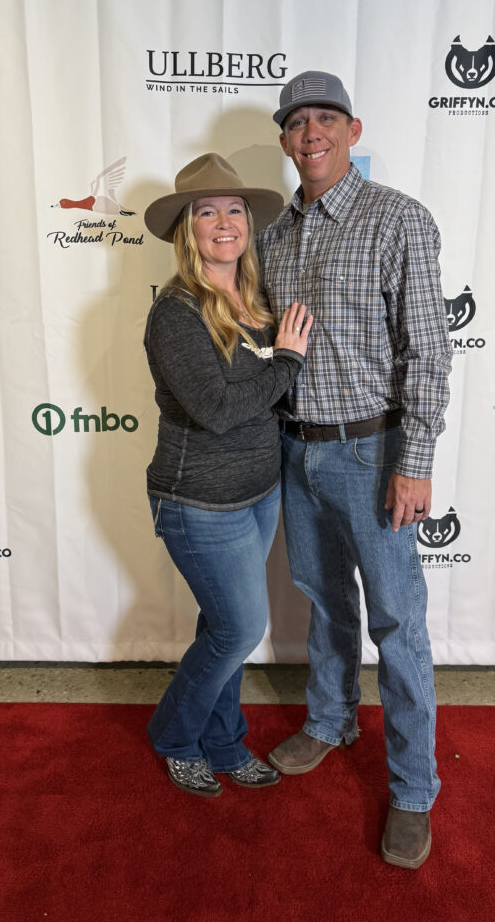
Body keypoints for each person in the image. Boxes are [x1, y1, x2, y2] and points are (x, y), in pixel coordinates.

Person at [257, 72, 452, 868]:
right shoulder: (271, 235)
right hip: (294, 448)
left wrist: (414, 463)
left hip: (374, 453)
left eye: (326, 118)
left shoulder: (397, 218)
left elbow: (429, 351)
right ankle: (330, 719)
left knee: (398, 625)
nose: (312, 133)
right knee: (321, 601)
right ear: (284, 139)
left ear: (352, 128)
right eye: (298, 121)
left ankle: (410, 789)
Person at [143, 152, 313, 797]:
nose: (223, 222)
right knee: (241, 629)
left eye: (234, 210)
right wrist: (289, 362)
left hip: (258, 492)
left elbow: (258, 397)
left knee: (222, 629)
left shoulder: (257, 297)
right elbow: (215, 411)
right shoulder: (178, 311)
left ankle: (223, 741)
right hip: (198, 502)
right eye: (206, 211)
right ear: (188, 229)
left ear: (248, 223)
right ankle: (175, 735)